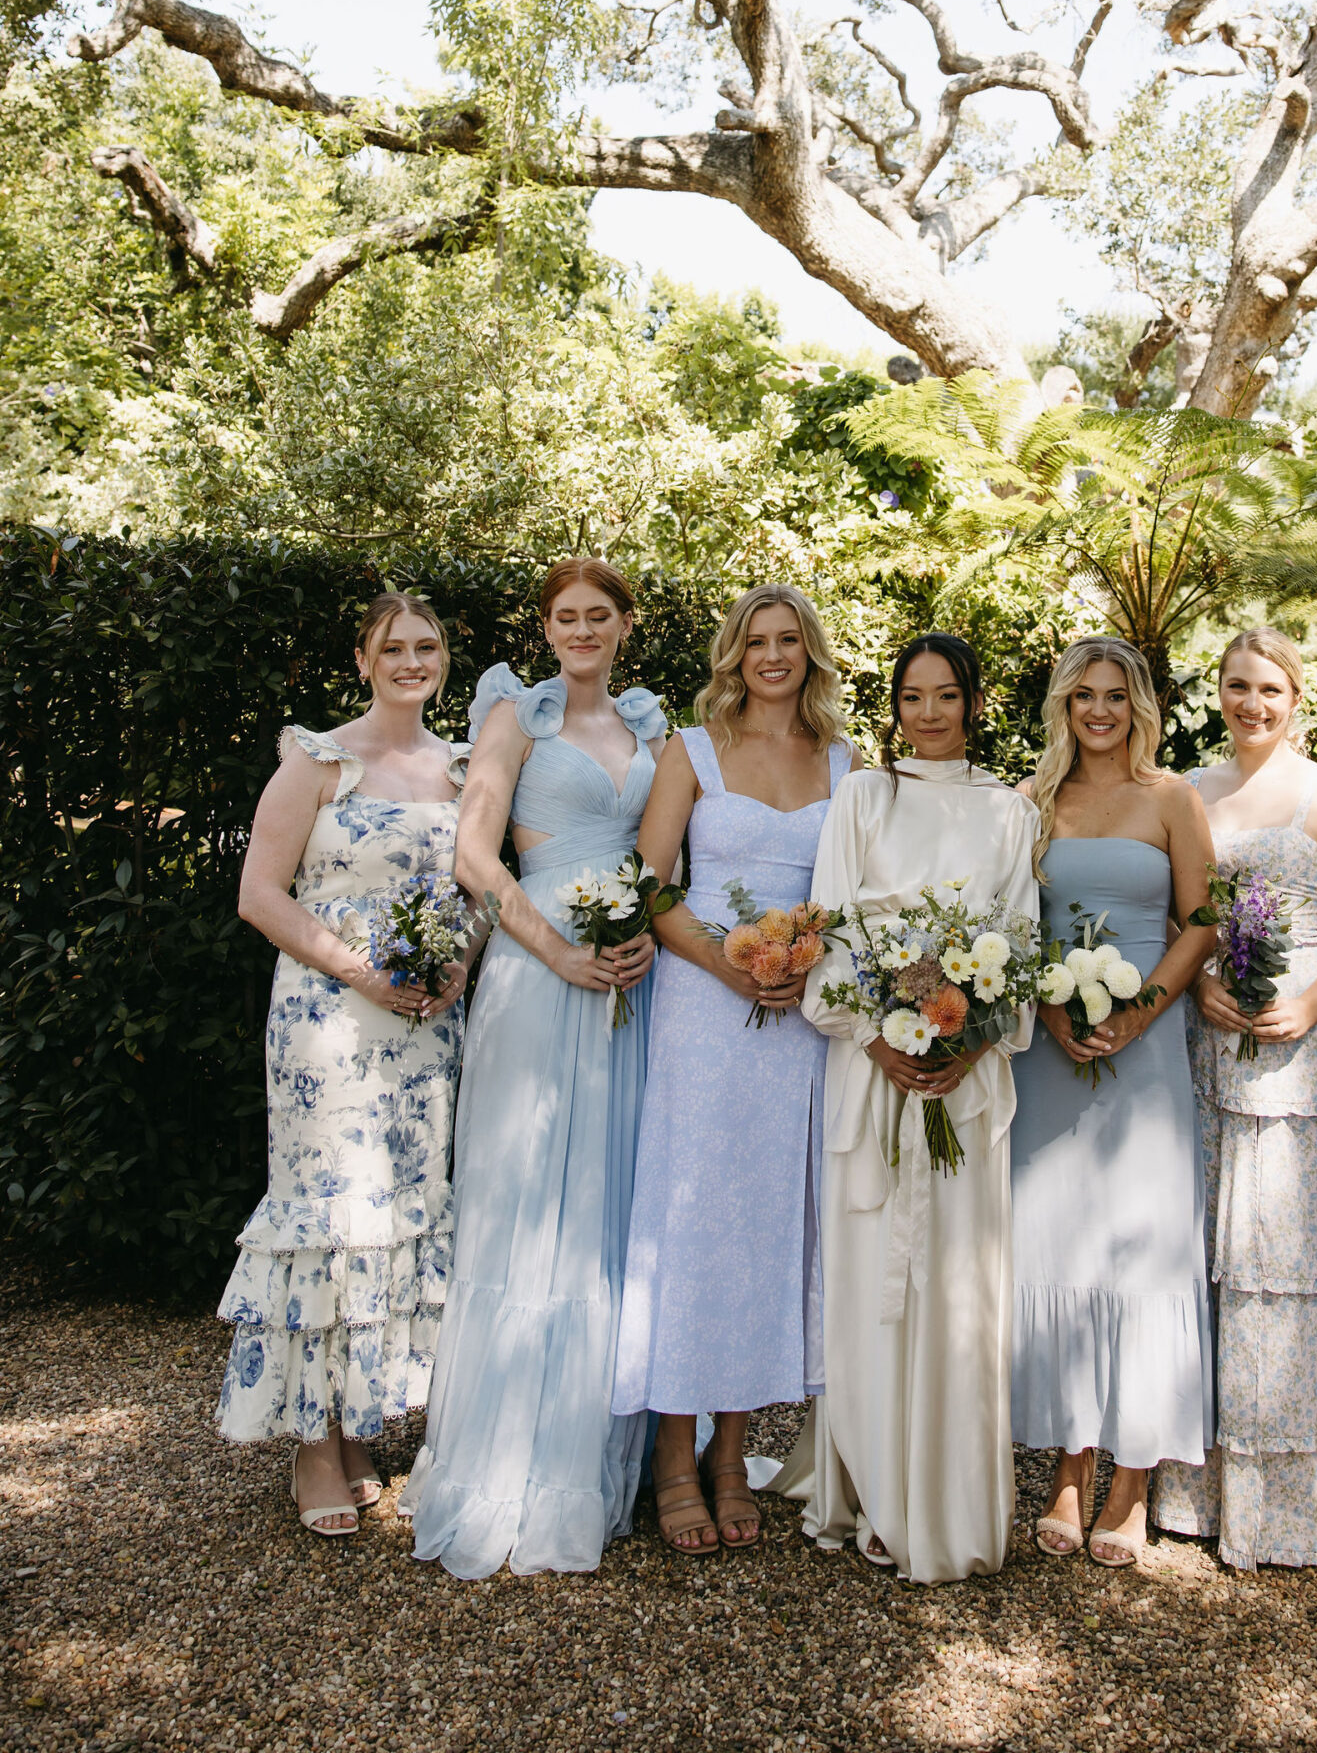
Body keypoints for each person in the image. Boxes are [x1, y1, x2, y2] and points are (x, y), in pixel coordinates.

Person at [404, 557, 665, 1578]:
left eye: (601, 614)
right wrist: (554, 947)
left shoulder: (650, 725)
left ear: (624, 625)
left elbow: (661, 848)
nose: (584, 630)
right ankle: (503, 1454)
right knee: (527, 1188)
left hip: (628, 971)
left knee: (606, 1197)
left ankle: (602, 1456)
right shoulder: (517, 714)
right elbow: (476, 853)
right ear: (548, 626)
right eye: (568, 616)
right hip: (535, 961)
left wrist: (642, 927)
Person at [777, 633, 1040, 1584]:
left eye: (945, 696)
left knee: (956, 1283)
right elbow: (831, 927)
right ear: (892, 705)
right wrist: (879, 1036)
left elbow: (1017, 935)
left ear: (972, 703)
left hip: (964, 1082)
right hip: (870, 1065)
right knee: (870, 1282)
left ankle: (951, 1497)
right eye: (911, 697)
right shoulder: (863, 797)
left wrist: (967, 1036)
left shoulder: (1010, 810)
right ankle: (878, 1488)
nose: (927, 714)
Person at [216, 594, 471, 1540]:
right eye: (393, 648)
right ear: (361, 659)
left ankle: (361, 1422)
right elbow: (258, 895)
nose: (412, 661)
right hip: (328, 1027)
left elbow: (478, 888)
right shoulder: (317, 759)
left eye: (427, 647)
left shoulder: (461, 766)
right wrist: (359, 970)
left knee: (400, 1214)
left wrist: (459, 965)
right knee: (329, 1218)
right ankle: (315, 1445)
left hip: (424, 1030)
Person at [612, 585, 857, 1553]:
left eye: (788, 639)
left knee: (766, 1226)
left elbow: (854, 892)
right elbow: (649, 881)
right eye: (755, 640)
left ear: (810, 653)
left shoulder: (844, 763)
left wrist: (804, 966)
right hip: (703, 1010)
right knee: (693, 1219)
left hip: (797, 1023)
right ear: (733, 653)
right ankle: (674, 1455)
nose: (770, 655)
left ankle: (732, 1452)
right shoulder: (693, 747)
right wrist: (733, 964)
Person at [1152, 627, 1317, 1578]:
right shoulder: (1187, 790)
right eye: (1236, 686)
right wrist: (1198, 977)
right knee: (1210, 1257)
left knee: (1294, 1259)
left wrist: (1312, 1001)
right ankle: (1197, 1495)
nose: (1251, 703)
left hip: (1303, 1042)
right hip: (1207, 1037)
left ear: (1296, 697)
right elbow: (1178, 913)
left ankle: (1311, 1510)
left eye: (1269, 688)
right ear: (1216, 692)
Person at [1009, 638, 1219, 1565]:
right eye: (1083, 695)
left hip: (1145, 1047)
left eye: (1115, 696)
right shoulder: (1029, 802)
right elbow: (1004, 919)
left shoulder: (1172, 798)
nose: (1099, 711)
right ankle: (1066, 1466)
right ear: (1063, 705)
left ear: (1139, 704)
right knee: (1057, 1239)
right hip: (1047, 1049)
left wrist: (1140, 1012)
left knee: (1141, 1244)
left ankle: (1131, 1482)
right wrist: (1048, 1005)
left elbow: (1205, 918)